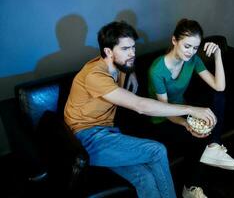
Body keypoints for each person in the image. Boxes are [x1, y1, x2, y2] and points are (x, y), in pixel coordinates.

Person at [64, 21, 217, 198]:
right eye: (126, 49)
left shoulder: (119, 66)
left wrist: (132, 72)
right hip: (85, 139)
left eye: (133, 48)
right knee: (157, 150)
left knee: (144, 177)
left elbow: (128, 65)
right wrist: (192, 109)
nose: (132, 54)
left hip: (109, 133)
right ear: (108, 51)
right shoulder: (95, 75)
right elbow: (140, 106)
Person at [147, 19, 234, 198]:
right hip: (162, 119)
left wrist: (218, 54)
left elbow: (219, 86)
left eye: (195, 48)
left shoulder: (193, 60)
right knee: (194, 138)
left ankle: (214, 145)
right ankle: (190, 188)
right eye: (187, 46)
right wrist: (188, 124)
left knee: (218, 96)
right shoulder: (157, 71)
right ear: (174, 41)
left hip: (183, 109)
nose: (190, 52)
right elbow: (165, 110)